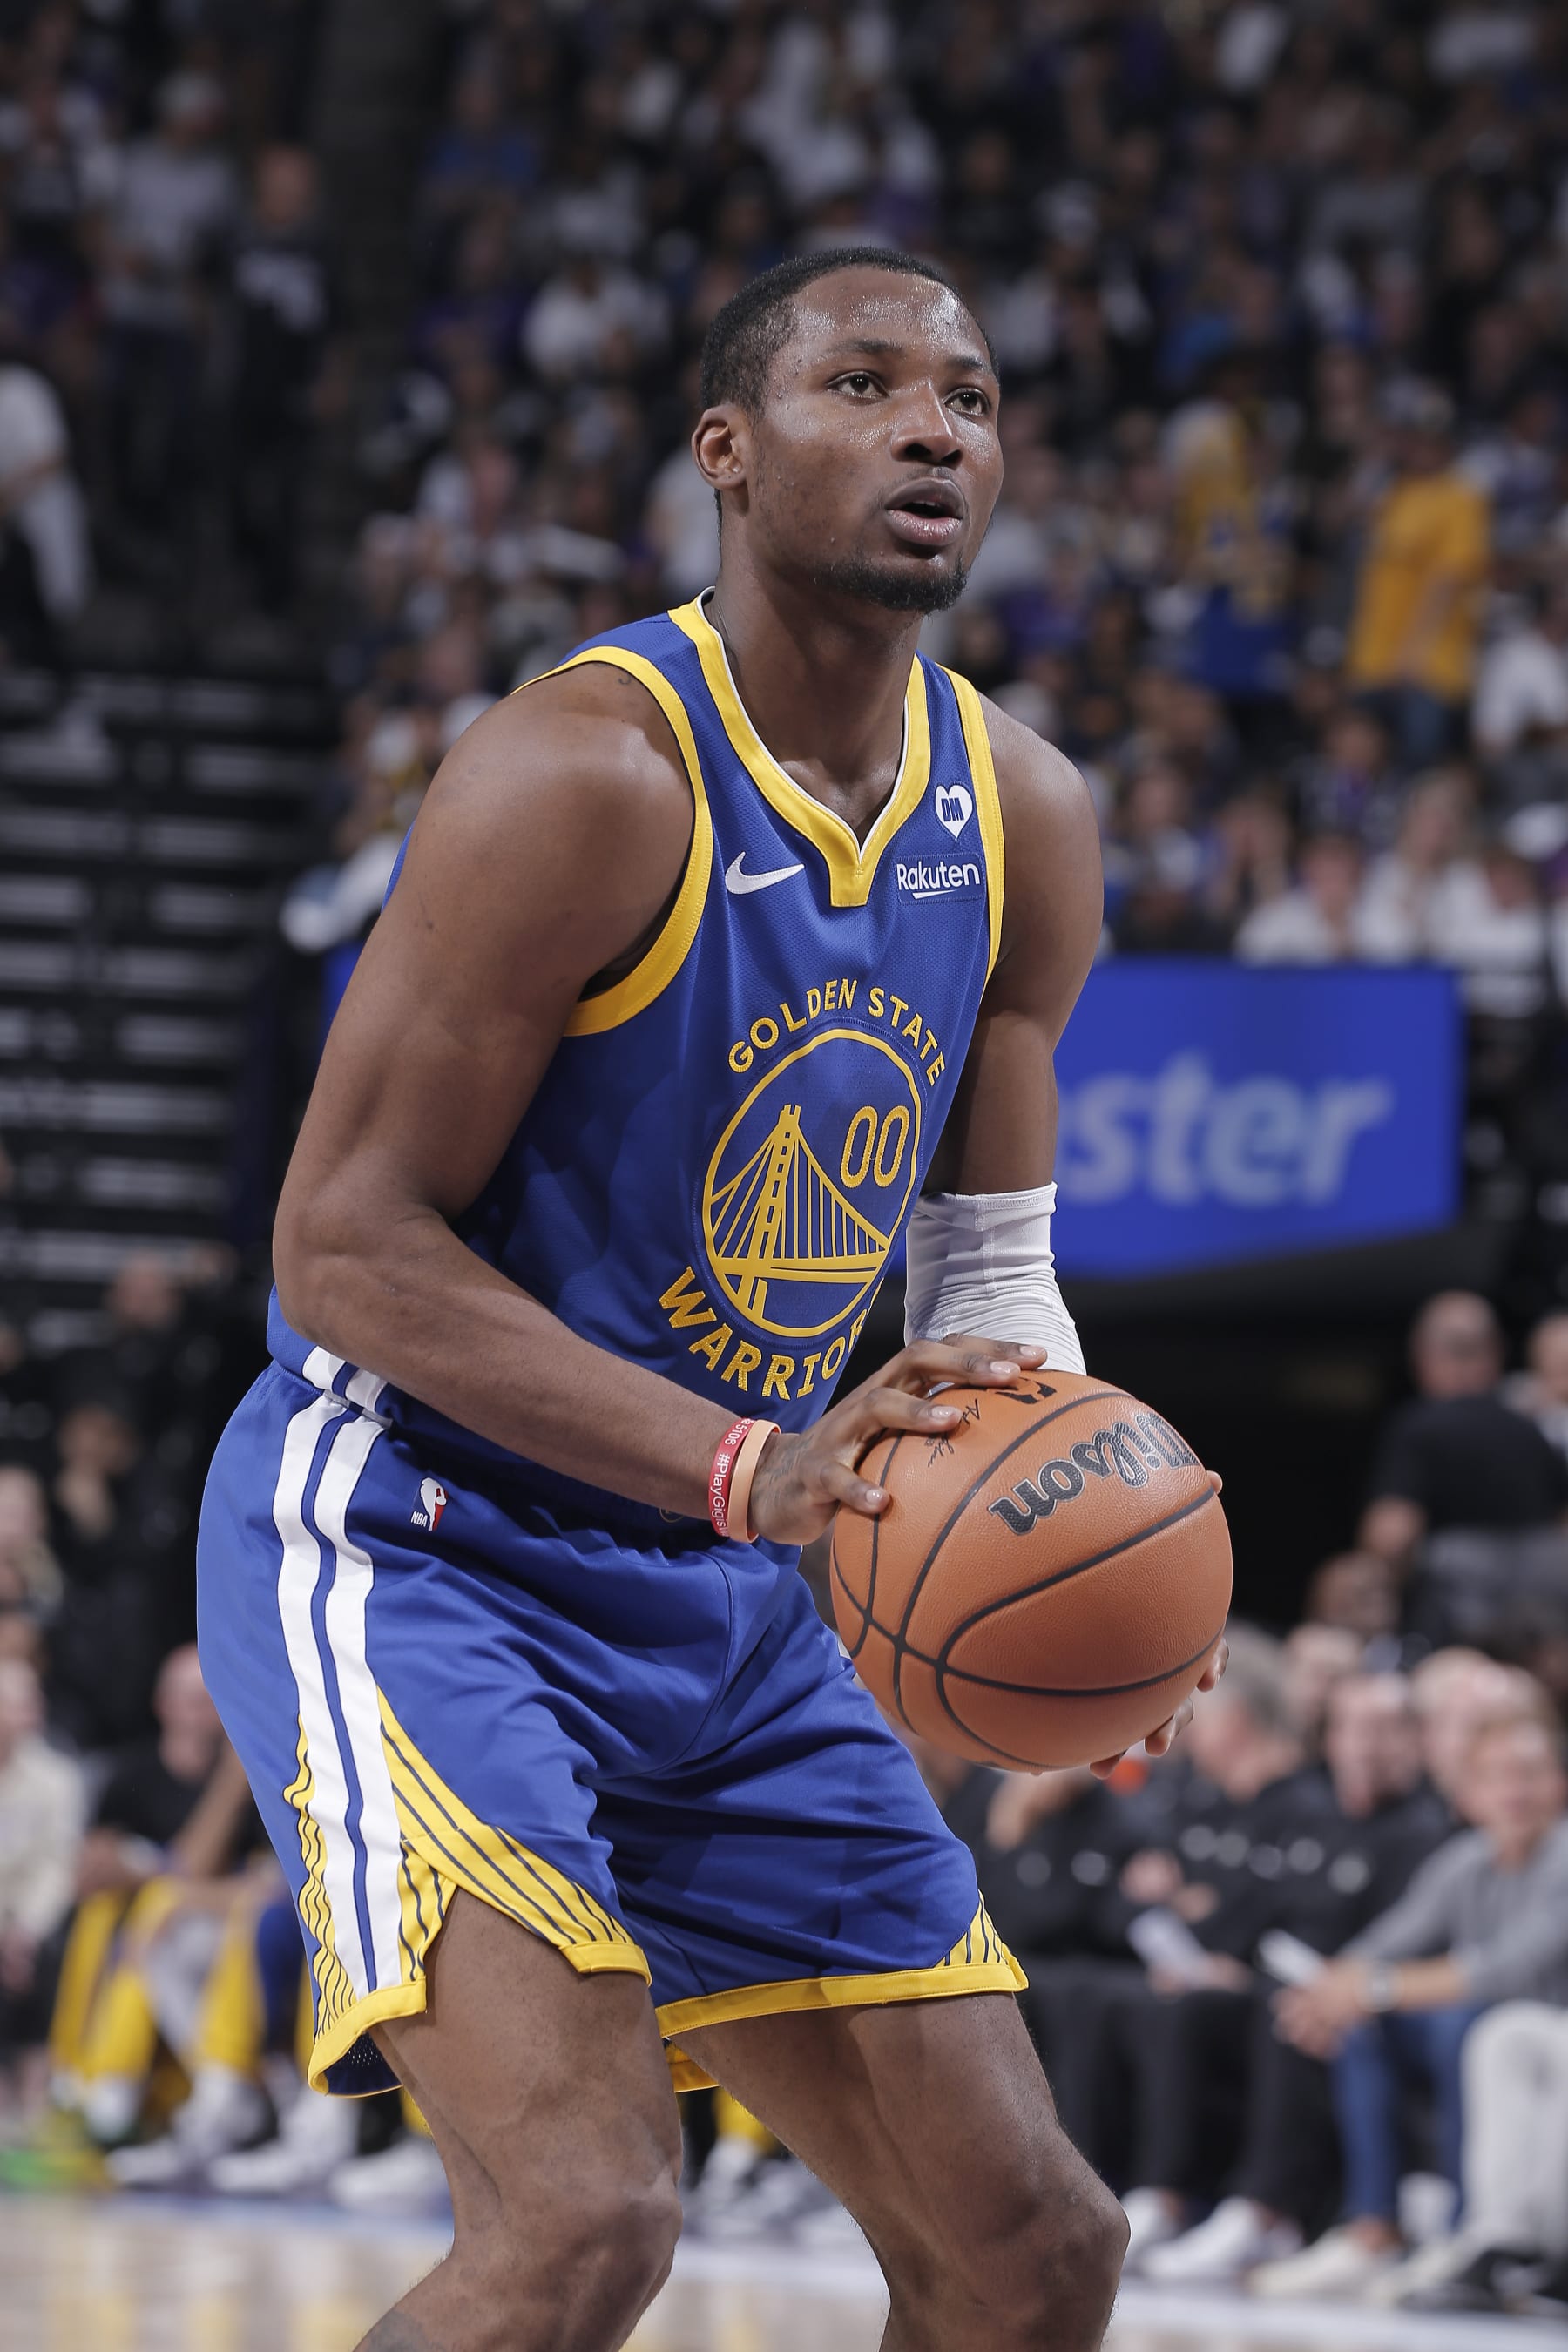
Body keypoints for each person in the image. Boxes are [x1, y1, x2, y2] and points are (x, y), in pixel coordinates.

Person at [197, 249, 1223, 2352]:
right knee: (581, 2219)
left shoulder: (1024, 811)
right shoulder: (580, 772)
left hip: (732, 1587)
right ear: (728, 454)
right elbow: (342, 1245)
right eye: (866, 383)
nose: (939, 427)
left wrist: (1106, 1589)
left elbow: (990, 1279)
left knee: (1035, 2249)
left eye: (973, 397)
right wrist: (754, 1464)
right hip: (423, 1547)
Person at [1137, 1672, 1450, 2284]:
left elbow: (1411, 1941)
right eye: (1355, 1728)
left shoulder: (1424, 1832)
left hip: (1381, 2001)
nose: (1369, 1744)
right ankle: (1167, 2195)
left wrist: (1341, 1985)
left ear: (1416, 1741)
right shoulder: (1327, 1822)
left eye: (1387, 1729)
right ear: (1330, 1739)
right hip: (1302, 1985)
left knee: (1288, 2013)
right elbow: (1270, 1919)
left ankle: (1267, 2213)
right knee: (1190, 2009)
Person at [1256, 1710, 1568, 2302]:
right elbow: (1386, 1942)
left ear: (1560, 1784)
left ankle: (1464, 2228)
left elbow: (1504, 1970)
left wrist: (1368, 1990)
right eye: (1498, 1777)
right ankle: (1373, 2228)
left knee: (1465, 2025)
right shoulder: (1466, 1861)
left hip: (1535, 2027)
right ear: (1470, 1793)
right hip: (1487, 2028)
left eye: (1530, 1774)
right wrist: (1327, 1995)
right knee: (1363, 2029)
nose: (1515, 1792)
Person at [1356, 1291, 1568, 1581]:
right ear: (1496, 1351)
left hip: (1450, 1614)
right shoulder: (1533, 1430)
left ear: (1423, 1354)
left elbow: (1393, 1533)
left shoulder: (1420, 1427)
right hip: (1541, 1615)